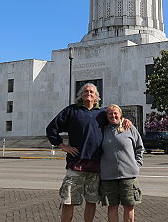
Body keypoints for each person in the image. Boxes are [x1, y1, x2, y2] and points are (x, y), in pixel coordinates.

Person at [46, 83, 131, 222]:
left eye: (92, 92)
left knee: (91, 201)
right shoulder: (71, 111)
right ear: (81, 95)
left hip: (96, 167)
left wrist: (125, 120)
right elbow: (51, 128)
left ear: (96, 96)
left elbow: (115, 119)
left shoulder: (102, 113)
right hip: (76, 164)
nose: (89, 94)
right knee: (69, 200)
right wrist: (62, 146)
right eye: (86, 91)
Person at [100, 104, 143, 222]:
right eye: (110, 113)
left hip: (128, 176)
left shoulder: (129, 128)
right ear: (106, 116)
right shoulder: (102, 130)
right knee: (112, 206)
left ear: (120, 115)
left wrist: (136, 164)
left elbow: (139, 148)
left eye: (115, 113)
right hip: (108, 176)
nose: (113, 116)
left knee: (129, 206)